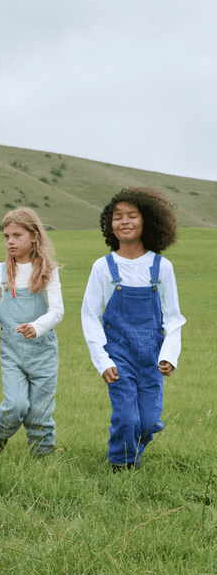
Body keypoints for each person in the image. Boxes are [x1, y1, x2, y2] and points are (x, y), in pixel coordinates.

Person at [80, 188, 184, 470]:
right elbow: (90, 316)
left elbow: (173, 317)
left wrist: (169, 355)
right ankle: (121, 465)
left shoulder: (162, 267)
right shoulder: (103, 267)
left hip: (152, 355)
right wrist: (102, 361)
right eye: (117, 217)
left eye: (132, 215)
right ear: (109, 224)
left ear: (147, 221)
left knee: (149, 421)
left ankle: (131, 453)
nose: (124, 221)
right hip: (118, 354)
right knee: (127, 418)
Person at [0, 208, 63, 456]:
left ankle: (42, 458)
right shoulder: (0, 271)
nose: (10, 242)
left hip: (43, 353)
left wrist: (36, 327)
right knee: (16, 405)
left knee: (39, 412)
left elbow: (57, 311)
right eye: (6, 236)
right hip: (12, 354)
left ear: (34, 236)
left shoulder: (48, 270)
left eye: (17, 235)